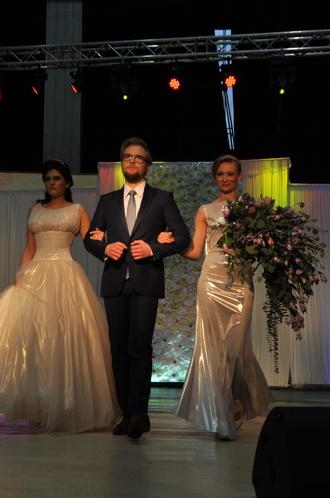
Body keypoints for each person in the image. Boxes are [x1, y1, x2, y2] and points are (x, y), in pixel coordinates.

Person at [0, 160, 118, 433]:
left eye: (57, 178)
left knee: (62, 338)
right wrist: (21, 275)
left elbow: (91, 241)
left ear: (67, 182)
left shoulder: (77, 210)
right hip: (35, 275)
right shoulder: (35, 210)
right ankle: (38, 404)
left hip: (65, 274)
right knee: (31, 340)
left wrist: (108, 246)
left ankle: (64, 404)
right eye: (48, 179)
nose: (52, 183)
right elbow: (29, 249)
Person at [159, 154, 273, 440]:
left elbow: (262, 249)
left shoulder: (252, 211)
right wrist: (173, 244)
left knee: (236, 351)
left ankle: (237, 402)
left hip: (240, 284)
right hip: (210, 283)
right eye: (220, 174)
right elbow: (196, 251)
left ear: (239, 176)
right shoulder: (205, 210)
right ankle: (224, 416)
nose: (225, 178)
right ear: (214, 177)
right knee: (215, 352)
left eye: (230, 173)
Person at [84, 137, 190, 440]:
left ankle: (140, 414)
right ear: (122, 162)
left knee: (139, 348)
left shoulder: (162, 199)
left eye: (138, 157)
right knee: (118, 351)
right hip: (115, 282)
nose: (132, 161)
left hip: (146, 282)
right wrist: (105, 248)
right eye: (127, 156)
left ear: (147, 164)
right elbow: (90, 238)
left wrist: (154, 248)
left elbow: (182, 237)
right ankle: (126, 414)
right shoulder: (107, 201)